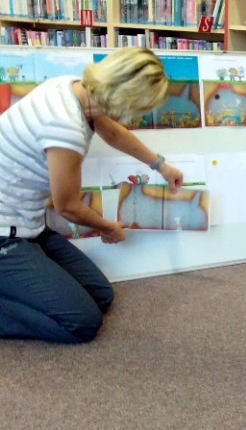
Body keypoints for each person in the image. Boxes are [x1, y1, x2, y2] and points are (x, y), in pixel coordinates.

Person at [0, 47, 183, 344]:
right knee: (81, 323)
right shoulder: (65, 127)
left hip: (27, 224)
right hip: (5, 234)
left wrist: (160, 165)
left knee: (100, 295)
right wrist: (108, 227)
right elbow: (68, 207)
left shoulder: (71, 86)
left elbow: (113, 132)